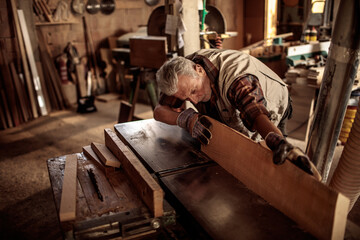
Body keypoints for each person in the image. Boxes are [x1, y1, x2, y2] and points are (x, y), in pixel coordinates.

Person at [154, 48, 318, 177]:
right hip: (229, 105)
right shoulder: (180, 76)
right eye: (187, 98)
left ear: (199, 70)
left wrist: (277, 141)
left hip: (271, 103)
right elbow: (159, 111)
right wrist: (185, 118)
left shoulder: (237, 80)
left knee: (268, 160)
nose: (194, 101)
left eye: (194, 91)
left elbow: (256, 114)